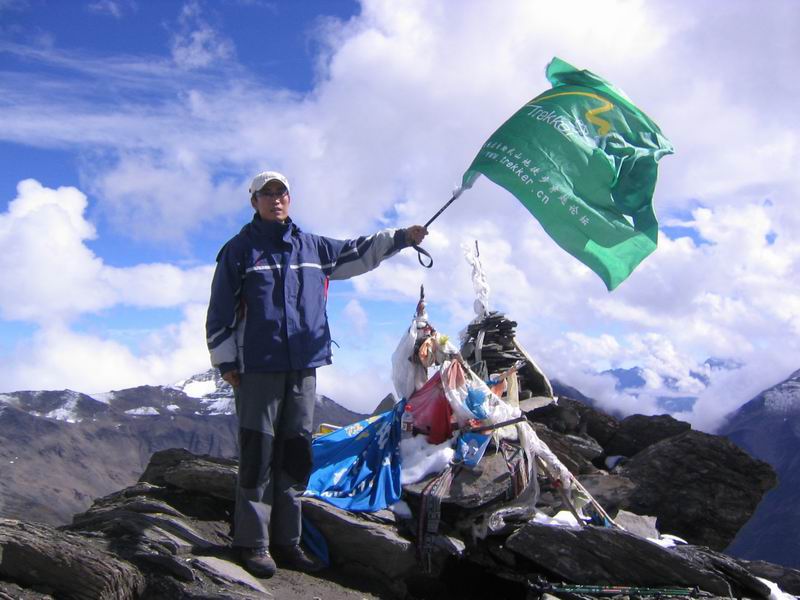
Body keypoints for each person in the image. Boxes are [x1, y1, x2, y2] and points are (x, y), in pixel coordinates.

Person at [205, 170, 428, 578]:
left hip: (304, 366)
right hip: (257, 368)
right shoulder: (239, 251)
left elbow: (358, 251)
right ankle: (252, 543)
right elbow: (219, 311)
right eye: (267, 194)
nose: (276, 199)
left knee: (296, 454)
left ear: (289, 199)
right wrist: (226, 363)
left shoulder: (312, 248)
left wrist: (401, 237)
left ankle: (287, 541)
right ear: (254, 202)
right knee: (257, 454)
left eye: (282, 193)